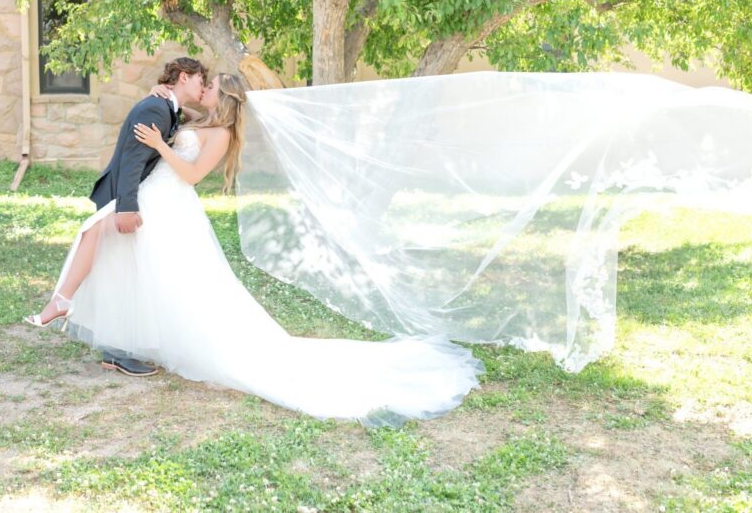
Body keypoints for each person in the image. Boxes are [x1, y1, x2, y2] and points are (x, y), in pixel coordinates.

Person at [27, 69, 483, 425]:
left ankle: (74, 308)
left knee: (163, 274)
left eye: (211, 86)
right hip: (154, 199)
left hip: (172, 202)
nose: (203, 88)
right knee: (124, 258)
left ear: (223, 98)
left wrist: (159, 147)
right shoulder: (195, 120)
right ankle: (102, 327)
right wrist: (164, 104)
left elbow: (190, 175)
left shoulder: (222, 135)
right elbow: (168, 121)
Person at [24, 56, 207, 376]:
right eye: (200, 80)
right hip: (126, 197)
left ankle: (112, 348)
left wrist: (168, 97)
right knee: (118, 268)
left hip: (144, 196)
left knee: (121, 271)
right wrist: (126, 207)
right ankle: (78, 316)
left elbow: (189, 116)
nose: (202, 86)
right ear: (182, 76)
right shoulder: (155, 108)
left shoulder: (166, 107)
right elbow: (132, 159)